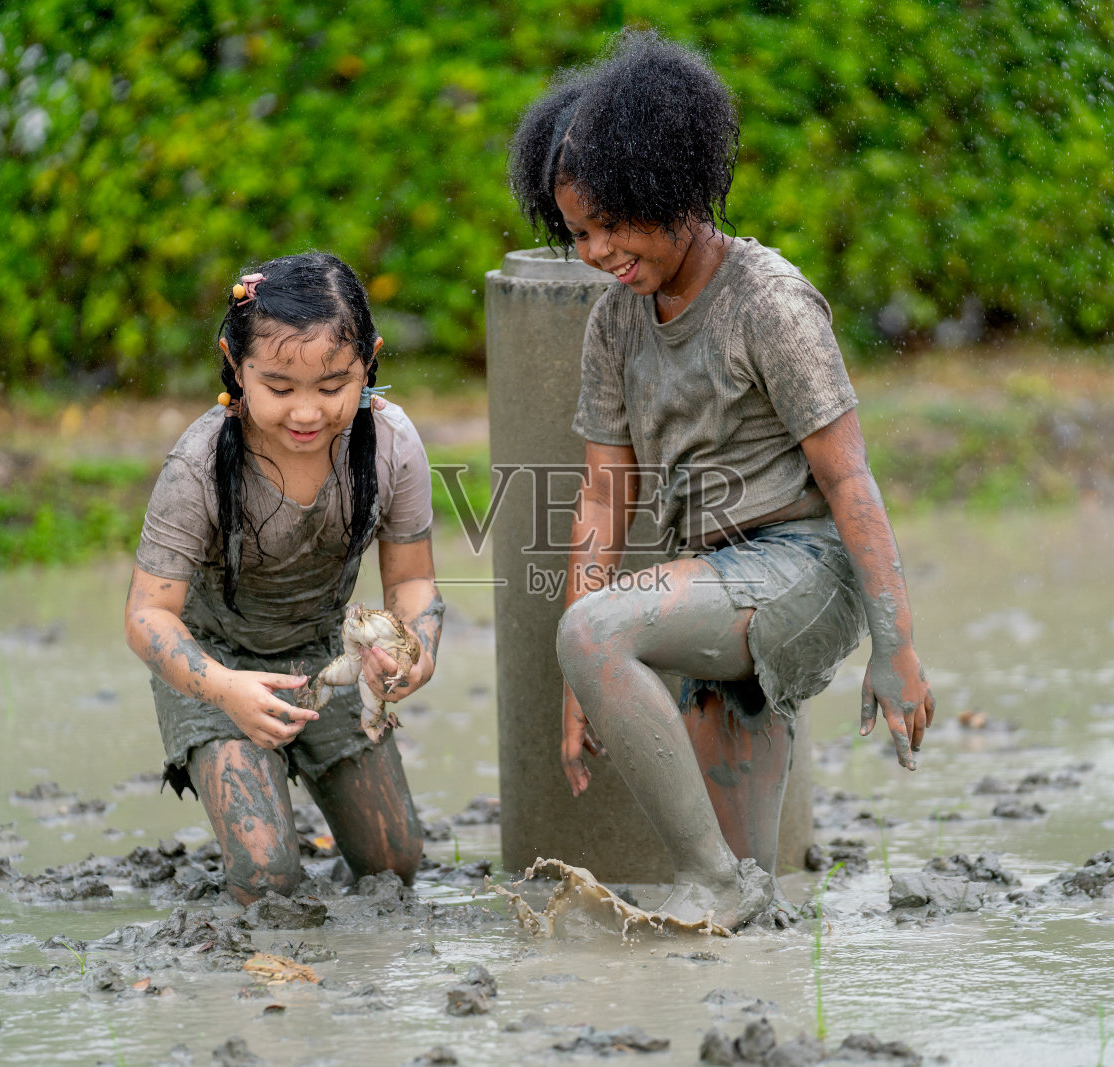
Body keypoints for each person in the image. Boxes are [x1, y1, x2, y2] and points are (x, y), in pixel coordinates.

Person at [508, 32, 935, 929]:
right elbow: (603, 494)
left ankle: (705, 878)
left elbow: (851, 481)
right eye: (578, 233)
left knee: (596, 636)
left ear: (672, 187)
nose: (596, 251)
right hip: (715, 579)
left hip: (803, 570)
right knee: (743, 895)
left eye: (611, 223)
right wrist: (582, 677)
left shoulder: (768, 302)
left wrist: (895, 647)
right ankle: (733, 910)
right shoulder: (615, 323)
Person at [124, 251, 443, 904]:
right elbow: (147, 615)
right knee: (268, 873)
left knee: (395, 860)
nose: (306, 413)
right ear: (234, 366)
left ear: (370, 361)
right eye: (279, 387)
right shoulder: (198, 465)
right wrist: (225, 688)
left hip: (324, 655)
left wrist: (418, 648)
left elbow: (413, 581)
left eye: (332, 387)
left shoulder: (390, 443)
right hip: (216, 665)